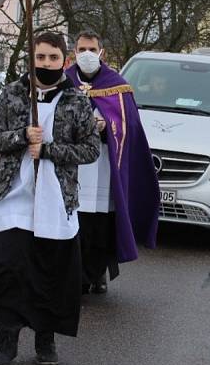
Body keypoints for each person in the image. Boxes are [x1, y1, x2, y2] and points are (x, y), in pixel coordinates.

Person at [0, 31, 100, 365]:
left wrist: (48, 150)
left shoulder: (76, 100)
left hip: (57, 199)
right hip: (15, 198)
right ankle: (6, 343)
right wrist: (20, 137)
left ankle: (45, 339)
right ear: (32, 58)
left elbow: (91, 148)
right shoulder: (14, 94)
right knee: (9, 267)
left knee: (51, 273)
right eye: (41, 57)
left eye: (53, 58)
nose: (46, 64)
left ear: (65, 61)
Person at [65, 29, 160, 296]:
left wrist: (108, 126)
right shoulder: (64, 82)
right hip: (73, 168)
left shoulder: (117, 85)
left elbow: (129, 125)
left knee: (101, 224)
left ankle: (98, 272)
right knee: (76, 221)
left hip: (104, 166)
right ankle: (78, 274)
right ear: (74, 52)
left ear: (101, 53)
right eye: (82, 49)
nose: (86, 55)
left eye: (92, 50)